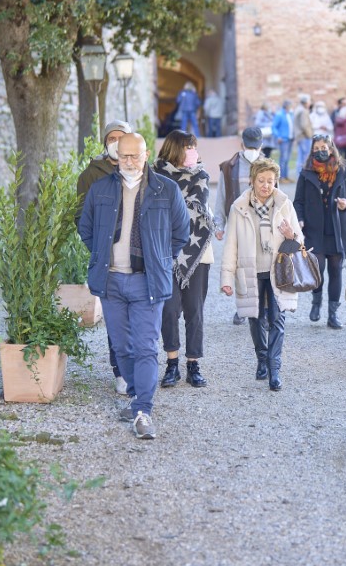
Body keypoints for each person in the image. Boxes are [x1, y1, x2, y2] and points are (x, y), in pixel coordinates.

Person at [78, 133, 190, 440]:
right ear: (117, 155)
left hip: (147, 281)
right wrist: (102, 255)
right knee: (121, 346)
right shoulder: (101, 189)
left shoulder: (165, 189)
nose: (129, 161)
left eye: (135, 156)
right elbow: (86, 228)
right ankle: (137, 394)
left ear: (146, 155)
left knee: (145, 346)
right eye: (124, 156)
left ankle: (143, 409)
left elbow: (181, 232)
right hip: (111, 280)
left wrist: (159, 259)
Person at [220, 157, 302, 391]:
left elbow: (299, 242)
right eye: (261, 180)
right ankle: (262, 359)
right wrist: (226, 278)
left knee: (277, 318)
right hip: (251, 270)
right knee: (255, 317)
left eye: (270, 181)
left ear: (276, 182)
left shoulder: (284, 204)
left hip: (279, 271)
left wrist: (292, 236)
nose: (266, 185)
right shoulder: (239, 207)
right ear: (252, 180)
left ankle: (274, 369)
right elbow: (231, 245)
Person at [75, 119, 134, 394]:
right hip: (109, 261)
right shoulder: (91, 175)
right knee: (116, 318)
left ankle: (140, 368)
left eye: (121, 137)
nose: (116, 142)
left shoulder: (142, 170)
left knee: (140, 318)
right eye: (111, 138)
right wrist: (98, 247)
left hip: (138, 259)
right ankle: (120, 371)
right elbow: (81, 217)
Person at [152, 130, 214, 389]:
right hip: (165, 252)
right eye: (188, 147)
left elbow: (197, 209)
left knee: (194, 311)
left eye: (194, 147)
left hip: (197, 253)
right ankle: (172, 363)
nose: (193, 152)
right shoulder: (155, 176)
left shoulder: (201, 176)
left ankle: (193, 364)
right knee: (169, 310)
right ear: (174, 149)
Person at [293, 134, 346, 329]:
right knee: (318, 268)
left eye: (323, 148)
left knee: (336, 269)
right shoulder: (306, 173)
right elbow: (298, 201)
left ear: (331, 149)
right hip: (314, 229)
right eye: (316, 149)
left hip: (338, 228)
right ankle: (316, 302)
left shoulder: (344, 170)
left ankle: (333, 314)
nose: (320, 151)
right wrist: (300, 219)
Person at [213, 126, 265, 326]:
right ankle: (243, 308)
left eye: (255, 147)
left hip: (263, 225)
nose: (252, 150)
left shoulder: (268, 166)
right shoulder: (229, 167)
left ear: (260, 146)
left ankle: (262, 308)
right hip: (239, 225)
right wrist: (219, 224)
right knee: (241, 269)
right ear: (242, 145)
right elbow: (222, 196)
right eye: (249, 146)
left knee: (264, 268)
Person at [272, 100, 294, 180]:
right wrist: (278, 136)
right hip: (283, 140)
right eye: (290, 106)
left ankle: (286, 176)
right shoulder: (279, 115)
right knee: (283, 158)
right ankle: (281, 177)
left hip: (290, 139)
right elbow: (274, 127)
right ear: (287, 106)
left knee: (288, 158)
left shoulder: (290, 114)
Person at [292, 93, 314, 173]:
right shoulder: (303, 111)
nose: (310, 103)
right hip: (304, 137)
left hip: (300, 136)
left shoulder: (298, 109)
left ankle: (300, 174)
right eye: (309, 101)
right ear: (306, 102)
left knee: (300, 157)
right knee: (306, 157)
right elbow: (304, 125)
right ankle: (304, 174)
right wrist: (310, 135)